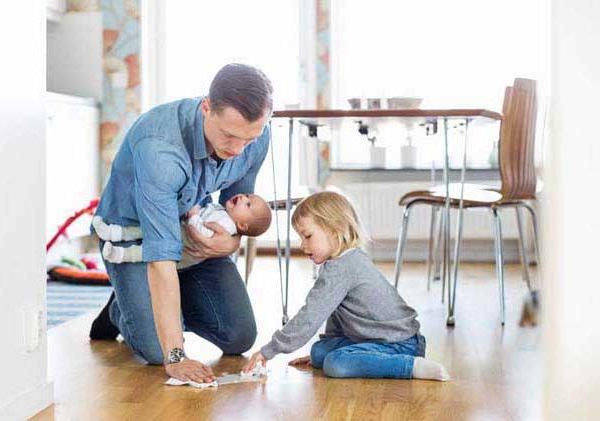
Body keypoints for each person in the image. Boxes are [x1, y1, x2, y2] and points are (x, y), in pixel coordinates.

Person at [89, 63, 273, 384]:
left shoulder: (256, 134)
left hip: (192, 231)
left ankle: (146, 301)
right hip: (136, 241)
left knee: (239, 336)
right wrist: (176, 356)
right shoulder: (160, 150)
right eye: (229, 136)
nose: (237, 149)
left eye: (249, 139)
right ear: (206, 108)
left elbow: (237, 209)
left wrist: (230, 243)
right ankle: (124, 308)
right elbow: (161, 259)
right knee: (158, 352)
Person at [243, 191, 450, 381]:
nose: (302, 245)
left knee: (336, 363)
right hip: (378, 338)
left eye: (308, 236)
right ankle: (358, 356)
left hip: (399, 344)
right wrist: (326, 348)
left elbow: (309, 318)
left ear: (335, 230)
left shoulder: (340, 268)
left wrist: (268, 351)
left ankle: (410, 366)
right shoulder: (346, 259)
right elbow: (335, 311)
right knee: (319, 353)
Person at [96, 193, 272, 269]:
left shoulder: (225, 225)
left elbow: (201, 233)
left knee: (148, 251)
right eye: (248, 195)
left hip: (181, 246)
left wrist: (194, 215)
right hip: (178, 233)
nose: (243, 197)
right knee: (144, 230)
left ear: (242, 226)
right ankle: (112, 232)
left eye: (248, 204)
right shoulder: (223, 213)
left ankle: (119, 254)